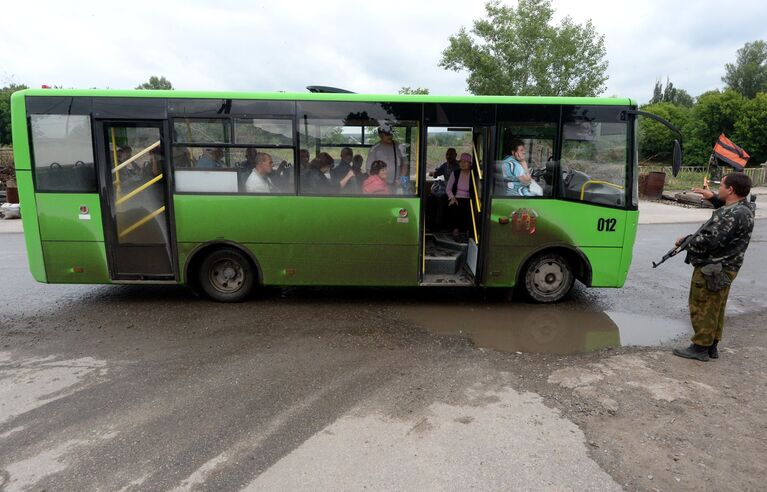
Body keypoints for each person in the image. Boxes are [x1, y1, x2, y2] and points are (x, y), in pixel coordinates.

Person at [672, 173, 755, 361]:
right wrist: (714, 198)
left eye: (722, 186)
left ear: (731, 190)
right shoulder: (743, 208)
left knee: (703, 305)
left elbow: (709, 241)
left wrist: (684, 241)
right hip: (725, 267)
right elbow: (727, 216)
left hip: (714, 267)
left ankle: (700, 347)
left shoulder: (734, 214)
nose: (719, 189)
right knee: (716, 306)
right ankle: (711, 345)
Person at [445, 152, 474, 238]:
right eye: (461, 162)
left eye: (465, 162)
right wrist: (452, 197)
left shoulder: (473, 174)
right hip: (456, 197)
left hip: (469, 198)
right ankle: (455, 229)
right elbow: (448, 189)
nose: (462, 164)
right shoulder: (455, 173)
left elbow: (477, 190)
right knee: (453, 206)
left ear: (470, 164)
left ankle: (469, 230)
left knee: (470, 207)